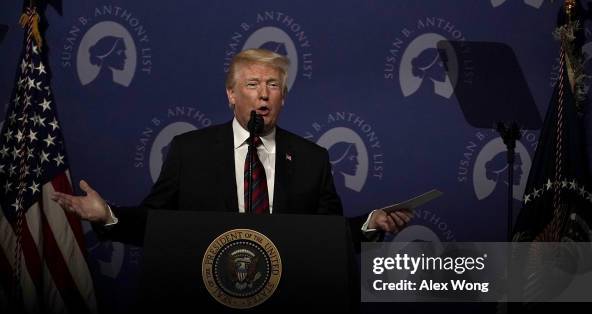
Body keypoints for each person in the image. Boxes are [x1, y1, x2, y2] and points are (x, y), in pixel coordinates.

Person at [52, 48, 412, 246]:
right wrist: (108, 215)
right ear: (231, 94)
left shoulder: (312, 159)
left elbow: (327, 236)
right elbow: (155, 222)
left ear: (283, 97)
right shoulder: (189, 151)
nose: (263, 94)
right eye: (253, 84)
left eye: (273, 85)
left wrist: (369, 222)